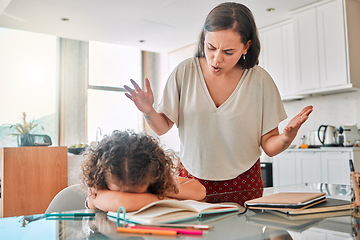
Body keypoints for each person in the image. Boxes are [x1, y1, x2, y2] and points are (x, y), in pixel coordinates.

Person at [124, 2, 313, 206]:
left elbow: (269, 145)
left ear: (246, 47)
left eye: (228, 52)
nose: (216, 59)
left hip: (244, 182)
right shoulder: (185, 72)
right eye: (210, 47)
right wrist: (148, 111)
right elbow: (162, 127)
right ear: (204, 38)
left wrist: (286, 136)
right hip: (191, 180)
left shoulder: (260, 80)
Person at [80, 130, 206, 212]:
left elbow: (199, 191)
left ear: (152, 176)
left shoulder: (150, 176)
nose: (131, 194)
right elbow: (122, 203)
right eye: (122, 191)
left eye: (137, 191)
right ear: (102, 176)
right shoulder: (96, 190)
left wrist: (162, 190)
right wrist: (168, 201)